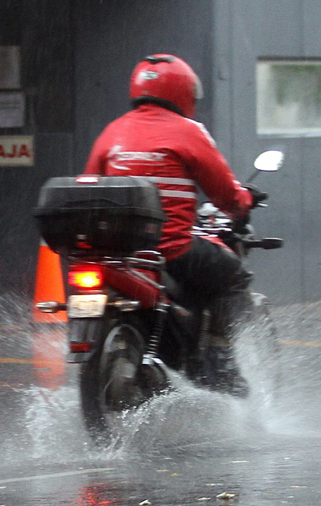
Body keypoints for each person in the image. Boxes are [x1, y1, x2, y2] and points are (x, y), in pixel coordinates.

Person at [83, 53, 263, 394]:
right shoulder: (189, 131)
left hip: (117, 251)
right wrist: (244, 203)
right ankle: (219, 357)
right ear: (183, 92)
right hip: (170, 248)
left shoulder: (113, 131)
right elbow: (225, 192)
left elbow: (88, 182)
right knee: (235, 276)